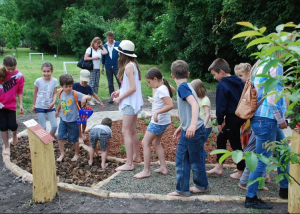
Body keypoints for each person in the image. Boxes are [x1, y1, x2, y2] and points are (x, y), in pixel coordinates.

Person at [245, 60, 289, 209]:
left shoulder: (261, 63)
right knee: (262, 159)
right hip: (267, 119)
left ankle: (285, 189)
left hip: (262, 118)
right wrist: (281, 120)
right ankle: (250, 197)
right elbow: (272, 100)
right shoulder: (275, 65)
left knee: (284, 152)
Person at [167, 60, 210, 197]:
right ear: (188, 73)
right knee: (182, 159)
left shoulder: (183, 88)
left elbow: (194, 105)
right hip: (190, 129)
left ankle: (202, 186)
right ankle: (182, 189)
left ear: (172, 75)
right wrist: (182, 126)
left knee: (195, 161)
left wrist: (191, 125)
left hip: (194, 131)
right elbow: (189, 109)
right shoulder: (189, 86)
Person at [206, 58, 246, 180]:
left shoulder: (222, 85)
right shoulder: (239, 81)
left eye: (214, 74)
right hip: (241, 115)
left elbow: (221, 106)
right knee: (221, 137)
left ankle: (241, 170)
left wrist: (219, 121)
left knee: (235, 143)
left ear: (221, 71)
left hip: (232, 117)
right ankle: (219, 165)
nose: (214, 78)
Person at [134, 68, 174, 179]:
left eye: (149, 82)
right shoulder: (164, 87)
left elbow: (170, 105)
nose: (149, 84)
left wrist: (157, 112)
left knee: (145, 142)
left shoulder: (161, 89)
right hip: (164, 121)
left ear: (155, 79)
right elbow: (173, 89)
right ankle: (163, 167)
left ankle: (146, 171)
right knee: (156, 143)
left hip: (158, 121)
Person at [111, 40, 143, 171]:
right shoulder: (132, 65)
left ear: (122, 54)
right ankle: (136, 156)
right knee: (132, 130)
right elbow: (129, 84)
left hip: (130, 103)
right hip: (134, 103)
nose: (118, 55)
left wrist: (119, 98)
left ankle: (129, 164)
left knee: (126, 131)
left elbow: (133, 88)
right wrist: (119, 90)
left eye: (119, 53)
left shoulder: (129, 67)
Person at [55, 74, 91, 162]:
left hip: (74, 120)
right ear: (62, 86)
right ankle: (62, 154)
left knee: (75, 139)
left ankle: (76, 154)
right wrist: (57, 110)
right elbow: (61, 102)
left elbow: (90, 97)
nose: (68, 88)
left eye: (70, 86)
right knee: (60, 137)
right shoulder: (60, 92)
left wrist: (85, 97)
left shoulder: (75, 93)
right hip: (63, 119)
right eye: (66, 86)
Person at [0, 56, 24, 156]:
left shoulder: (19, 76)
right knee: (3, 126)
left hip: (11, 105)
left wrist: (21, 104)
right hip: (0, 106)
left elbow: (20, 91)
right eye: (8, 69)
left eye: (12, 69)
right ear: (4, 66)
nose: (10, 71)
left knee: (12, 125)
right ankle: (7, 146)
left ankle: (15, 134)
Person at [73, 69, 105, 143]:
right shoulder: (75, 85)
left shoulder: (88, 87)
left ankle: (83, 131)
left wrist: (100, 102)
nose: (84, 82)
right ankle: (80, 135)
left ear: (89, 79)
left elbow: (94, 94)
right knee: (78, 121)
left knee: (84, 120)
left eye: (86, 81)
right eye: (83, 80)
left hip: (83, 107)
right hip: (75, 106)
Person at [32, 62, 58, 137]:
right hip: (40, 106)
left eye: (48, 71)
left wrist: (53, 102)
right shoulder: (38, 81)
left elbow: (55, 93)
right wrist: (34, 105)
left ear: (52, 71)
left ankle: (50, 139)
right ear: (41, 71)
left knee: (54, 126)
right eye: (44, 71)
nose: (46, 73)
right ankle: (43, 141)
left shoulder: (54, 81)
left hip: (50, 106)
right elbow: (35, 93)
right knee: (43, 127)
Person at [84, 37, 108, 106]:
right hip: (92, 68)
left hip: (97, 68)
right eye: (97, 43)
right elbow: (85, 58)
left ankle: (95, 98)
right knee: (91, 83)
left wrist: (102, 45)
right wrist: (94, 58)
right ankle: (89, 99)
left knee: (96, 83)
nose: (98, 45)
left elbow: (105, 52)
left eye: (99, 43)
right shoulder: (89, 49)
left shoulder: (99, 50)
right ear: (94, 43)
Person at [190, 79, 212, 152]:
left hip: (205, 126)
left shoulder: (205, 100)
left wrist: (204, 125)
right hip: (198, 125)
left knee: (199, 144)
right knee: (198, 144)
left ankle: (202, 157)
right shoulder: (196, 98)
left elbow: (208, 114)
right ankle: (201, 157)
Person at [101, 31, 121, 103]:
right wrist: (102, 67)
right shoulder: (105, 46)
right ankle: (112, 97)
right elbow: (103, 57)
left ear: (113, 37)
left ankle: (120, 95)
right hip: (108, 65)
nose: (110, 40)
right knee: (110, 82)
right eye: (109, 38)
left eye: (111, 38)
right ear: (107, 38)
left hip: (117, 65)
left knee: (120, 81)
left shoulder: (118, 43)